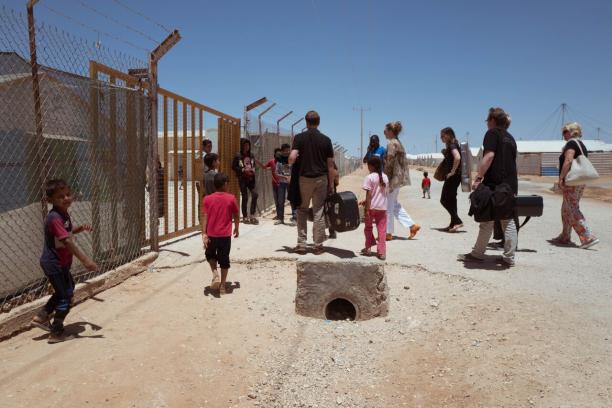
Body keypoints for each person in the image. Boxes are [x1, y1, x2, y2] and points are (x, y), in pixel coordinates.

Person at [31, 179, 99, 343]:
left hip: (59, 263)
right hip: (53, 263)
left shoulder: (62, 214)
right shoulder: (54, 218)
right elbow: (67, 241)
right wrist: (86, 261)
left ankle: (40, 317)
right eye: (61, 196)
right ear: (50, 201)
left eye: (68, 194)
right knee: (66, 296)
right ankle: (56, 332)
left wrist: (80, 228)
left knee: (67, 289)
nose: (66, 198)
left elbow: (66, 232)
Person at [458, 107, 518, 267]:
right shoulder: (510, 138)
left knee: (486, 219)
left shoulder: (492, 133)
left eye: (487, 120)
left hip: (495, 185)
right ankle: (508, 258)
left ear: (492, 120)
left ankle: (477, 254)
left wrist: (478, 177)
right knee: (508, 220)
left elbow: (489, 156)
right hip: (510, 185)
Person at [289, 111, 335, 255]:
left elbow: (292, 157)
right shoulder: (326, 140)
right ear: (318, 122)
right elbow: (330, 165)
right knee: (318, 211)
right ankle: (318, 245)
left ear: (306, 122)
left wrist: (292, 163)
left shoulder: (299, 138)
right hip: (321, 179)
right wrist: (331, 184)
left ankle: (302, 244)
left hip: (304, 179)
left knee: (302, 209)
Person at [553, 122, 599, 249]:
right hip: (579, 182)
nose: (563, 135)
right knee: (566, 208)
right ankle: (565, 236)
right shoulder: (581, 145)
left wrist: (561, 178)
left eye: (564, 132)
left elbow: (568, 160)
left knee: (572, 208)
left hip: (572, 181)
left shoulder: (571, 143)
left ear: (571, 132)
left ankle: (588, 236)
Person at [201, 173, 240, 295]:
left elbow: (205, 217)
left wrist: (204, 233)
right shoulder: (231, 198)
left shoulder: (207, 199)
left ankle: (214, 274)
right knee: (224, 260)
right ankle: (223, 286)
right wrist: (237, 228)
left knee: (210, 255)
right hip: (225, 236)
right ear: (225, 184)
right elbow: (236, 215)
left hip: (212, 235)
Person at [384, 121, 420, 241]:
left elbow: (389, 162)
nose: (384, 132)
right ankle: (412, 226)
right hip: (399, 178)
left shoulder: (391, 144)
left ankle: (388, 233)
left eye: (386, 130)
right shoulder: (399, 143)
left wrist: (383, 178)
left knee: (388, 205)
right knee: (394, 205)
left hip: (392, 178)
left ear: (390, 131)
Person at [361, 156, 389, 260]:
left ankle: (368, 248)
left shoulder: (369, 177)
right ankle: (381, 252)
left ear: (371, 166)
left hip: (371, 208)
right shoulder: (385, 177)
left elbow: (369, 194)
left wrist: (366, 208)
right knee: (382, 231)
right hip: (382, 208)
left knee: (368, 228)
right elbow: (383, 193)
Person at [440, 127, 464, 232]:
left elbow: (457, 157)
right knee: (452, 200)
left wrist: (452, 171)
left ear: (448, 135)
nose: (441, 138)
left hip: (453, 176)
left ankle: (458, 221)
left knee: (444, 200)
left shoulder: (452, 145)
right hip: (455, 176)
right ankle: (453, 224)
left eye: (442, 135)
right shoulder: (453, 144)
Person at [232, 138, 259, 225]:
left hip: (251, 178)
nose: (247, 147)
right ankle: (245, 216)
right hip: (242, 178)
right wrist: (242, 170)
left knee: (255, 194)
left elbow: (254, 164)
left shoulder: (251, 155)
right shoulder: (238, 155)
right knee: (245, 197)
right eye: (245, 145)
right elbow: (233, 166)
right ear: (242, 146)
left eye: (248, 145)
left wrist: (254, 168)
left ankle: (252, 215)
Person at [276, 143, 294, 225]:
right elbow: (276, 173)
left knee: (292, 200)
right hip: (282, 183)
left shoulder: (291, 160)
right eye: (286, 150)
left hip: (290, 183)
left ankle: (295, 217)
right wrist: (285, 177)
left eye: (288, 150)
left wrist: (291, 177)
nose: (287, 152)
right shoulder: (279, 161)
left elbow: (295, 171)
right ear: (282, 151)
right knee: (280, 201)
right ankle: (280, 219)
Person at [263, 148, 282, 223]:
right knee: (276, 200)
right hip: (274, 184)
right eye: (277, 153)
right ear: (275, 154)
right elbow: (264, 167)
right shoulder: (271, 162)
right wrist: (258, 163)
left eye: (279, 153)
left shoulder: (283, 162)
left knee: (281, 201)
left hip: (281, 184)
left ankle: (281, 216)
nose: (278, 154)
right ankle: (278, 215)